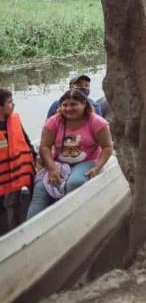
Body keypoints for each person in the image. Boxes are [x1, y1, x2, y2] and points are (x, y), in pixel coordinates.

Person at [27, 89, 115, 219]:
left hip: (87, 160)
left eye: (73, 104)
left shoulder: (97, 122)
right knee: (41, 187)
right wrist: (52, 168)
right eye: (65, 105)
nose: (68, 108)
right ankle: (30, 226)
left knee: (75, 182)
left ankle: (69, 217)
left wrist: (97, 167)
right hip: (59, 161)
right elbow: (45, 147)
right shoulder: (53, 121)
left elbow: (107, 147)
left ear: (84, 104)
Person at [0, 89, 36, 235]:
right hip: (3, 180)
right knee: (5, 209)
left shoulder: (14, 121)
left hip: (19, 173)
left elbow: (26, 141)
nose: (13, 105)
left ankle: (20, 228)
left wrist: (35, 159)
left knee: (14, 204)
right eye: (9, 102)